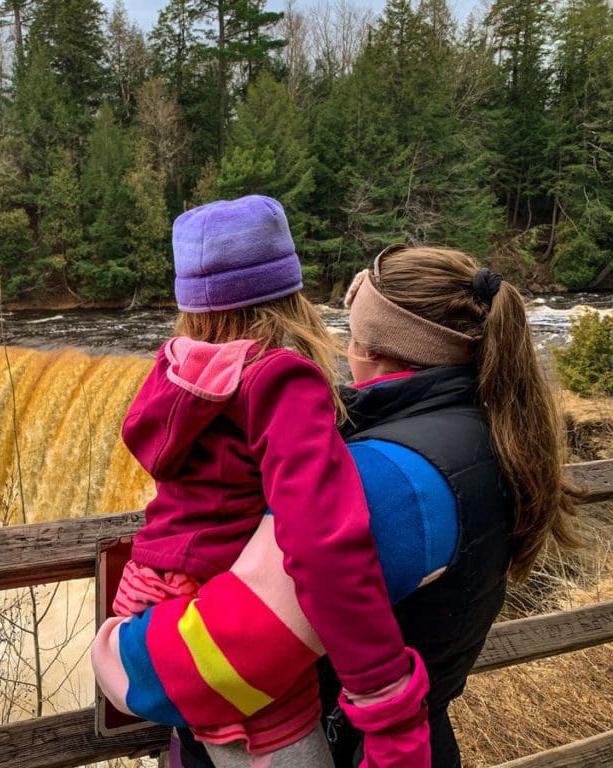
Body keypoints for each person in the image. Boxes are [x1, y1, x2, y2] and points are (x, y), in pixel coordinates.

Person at [96, 244, 579, 768]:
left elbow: (217, 660)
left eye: (350, 333)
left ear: (369, 347)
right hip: (420, 741)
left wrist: (120, 653)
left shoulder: (386, 482)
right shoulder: (490, 433)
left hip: (347, 748)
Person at [92, 197, 432, 768]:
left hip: (151, 590)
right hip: (216, 618)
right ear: (289, 291)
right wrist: (384, 692)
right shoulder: (281, 381)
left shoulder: (177, 373)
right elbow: (322, 541)